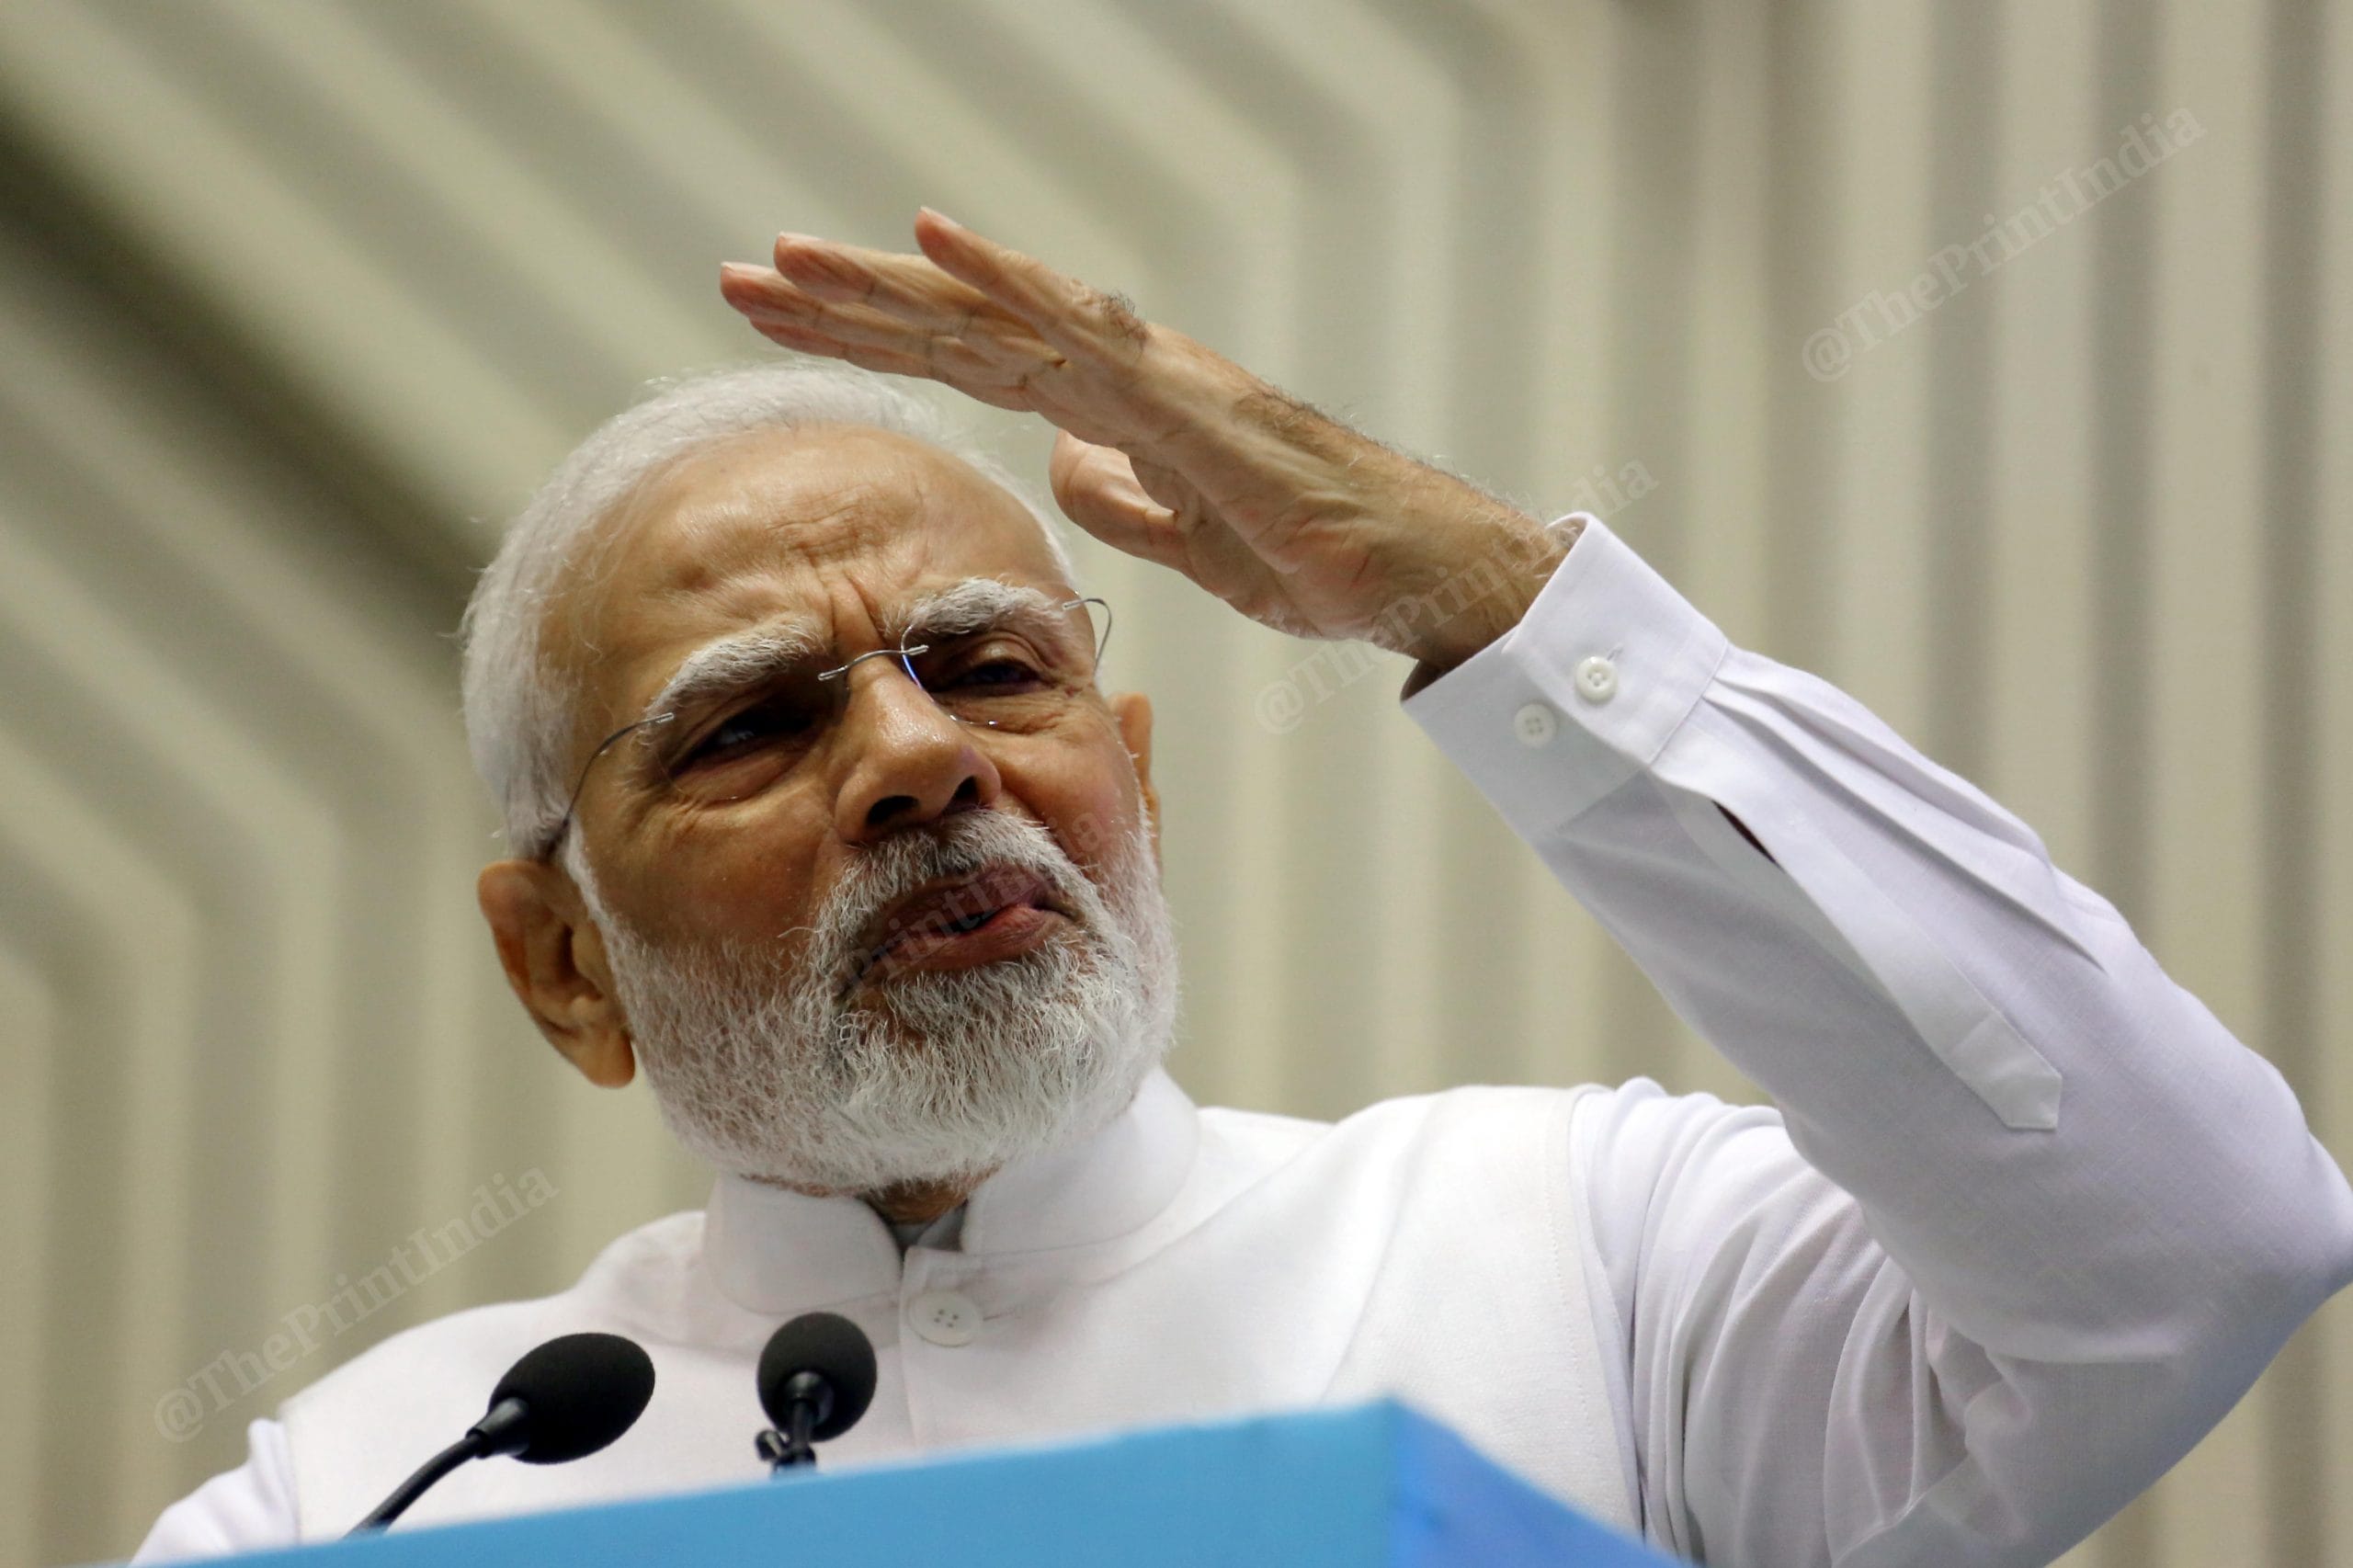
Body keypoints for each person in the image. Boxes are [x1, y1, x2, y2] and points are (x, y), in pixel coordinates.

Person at [135, 210, 2353, 1565]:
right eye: (751, 723)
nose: (916, 758)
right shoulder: (381, 1486)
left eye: (991, 667)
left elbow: (2193, 1239)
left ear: (1139, 787)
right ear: (560, 967)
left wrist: (1503, 609)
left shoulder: (1582, 1259)